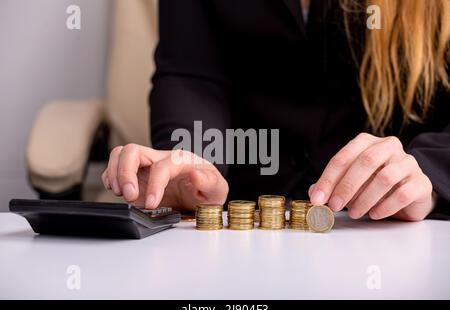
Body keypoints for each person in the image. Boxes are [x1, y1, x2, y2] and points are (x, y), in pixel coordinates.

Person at [102, 0, 450, 220]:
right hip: (243, 214)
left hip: (385, 225)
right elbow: (192, 73)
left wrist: (429, 176)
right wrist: (192, 161)